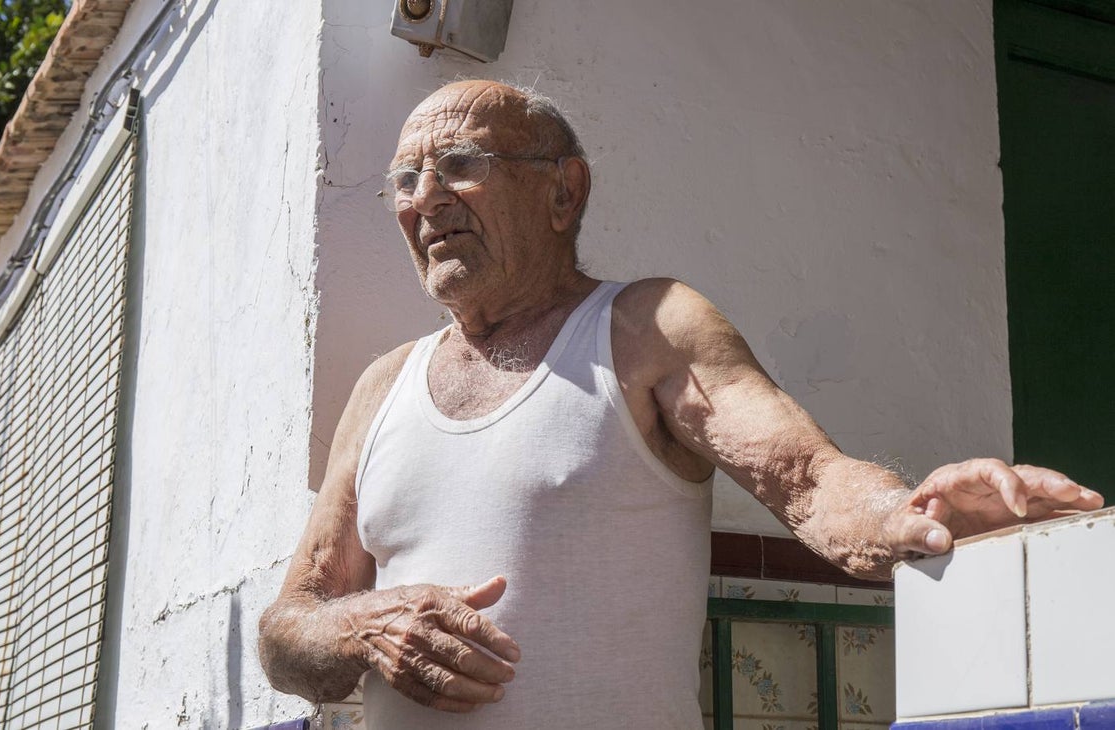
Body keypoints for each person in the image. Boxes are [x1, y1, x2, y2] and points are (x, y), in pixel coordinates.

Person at [258, 80, 1103, 728]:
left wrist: (912, 514)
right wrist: (365, 626)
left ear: (563, 192)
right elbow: (287, 629)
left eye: (461, 165)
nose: (425, 198)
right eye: (405, 179)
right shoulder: (383, 386)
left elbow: (808, 481)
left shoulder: (646, 329)